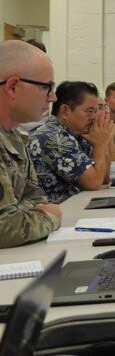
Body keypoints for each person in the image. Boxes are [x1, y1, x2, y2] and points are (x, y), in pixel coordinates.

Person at [0, 41, 62, 246]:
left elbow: (35, 199)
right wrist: (50, 218)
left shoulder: (13, 135)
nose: (52, 97)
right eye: (46, 87)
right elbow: (4, 228)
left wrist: (27, 214)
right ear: (12, 87)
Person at [27, 81, 115, 203]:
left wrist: (105, 140)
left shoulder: (77, 134)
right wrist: (100, 145)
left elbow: (105, 177)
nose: (95, 117)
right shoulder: (53, 137)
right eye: (89, 111)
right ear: (65, 111)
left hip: (73, 207)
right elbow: (94, 183)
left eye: (96, 111)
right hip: (53, 214)